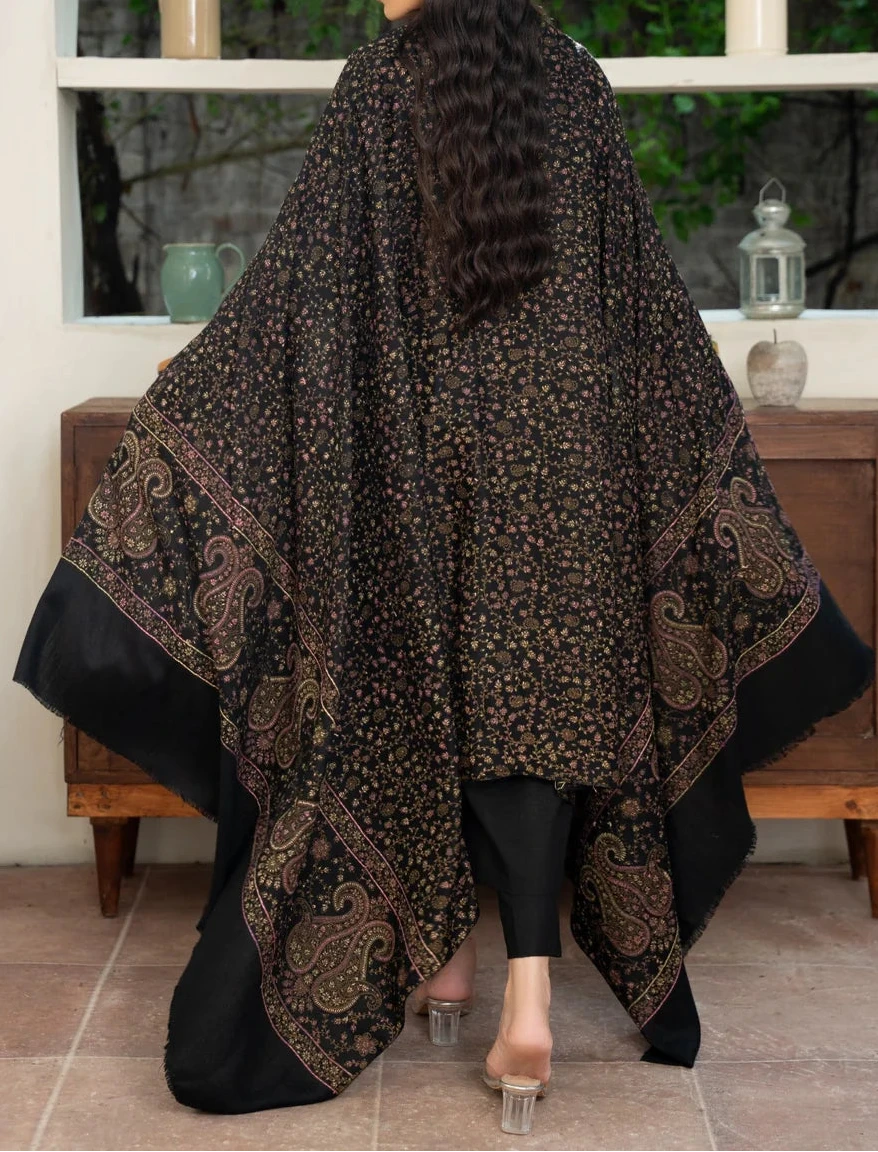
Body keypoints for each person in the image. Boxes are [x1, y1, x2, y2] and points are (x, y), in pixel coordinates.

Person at [13, 0, 872, 1138]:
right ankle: (512, 994)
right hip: (562, 462)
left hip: (411, 464)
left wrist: (196, 386)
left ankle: (452, 970)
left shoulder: (377, 87)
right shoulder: (576, 86)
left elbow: (298, 296)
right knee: (531, 712)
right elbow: (641, 304)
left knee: (423, 707)